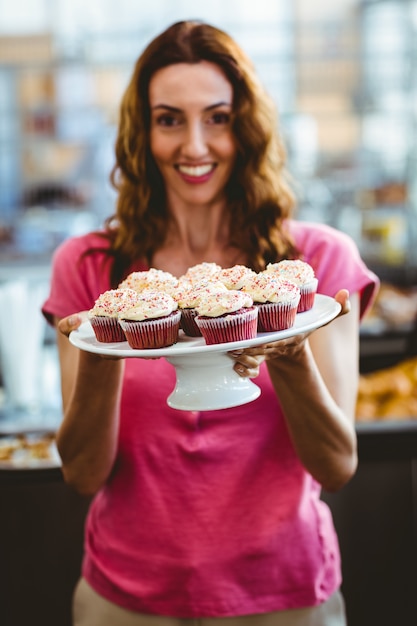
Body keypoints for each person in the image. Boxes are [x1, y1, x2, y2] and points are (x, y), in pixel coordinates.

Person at [42, 20, 379, 626]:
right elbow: (81, 472)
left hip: (284, 594)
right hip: (125, 599)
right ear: (141, 133)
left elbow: (338, 465)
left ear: (246, 127)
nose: (194, 145)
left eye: (217, 118)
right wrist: (102, 340)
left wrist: (288, 349)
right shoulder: (91, 268)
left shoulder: (312, 267)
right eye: (169, 118)